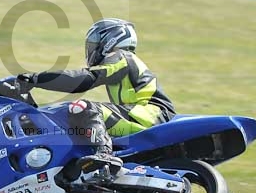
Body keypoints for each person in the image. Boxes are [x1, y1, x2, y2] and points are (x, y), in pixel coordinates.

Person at [17, 18, 176, 177]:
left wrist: (36, 79)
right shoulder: (126, 60)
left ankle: (105, 155)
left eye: (94, 43)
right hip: (144, 115)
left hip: (151, 114)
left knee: (82, 108)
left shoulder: (121, 56)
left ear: (110, 40)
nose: (91, 49)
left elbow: (87, 78)